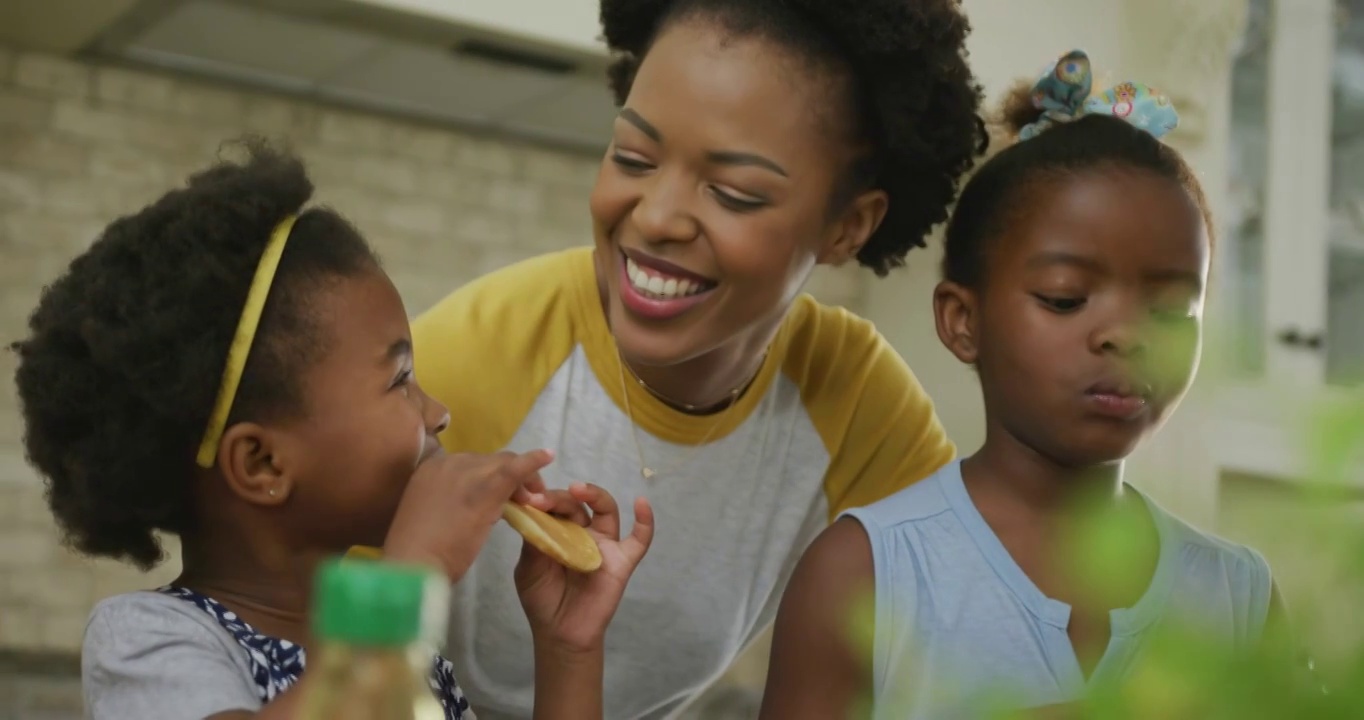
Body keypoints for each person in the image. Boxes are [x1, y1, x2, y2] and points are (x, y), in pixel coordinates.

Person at [407, 0, 988, 716]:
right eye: (632, 158)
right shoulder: (468, 357)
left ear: (846, 227)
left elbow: (982, 650)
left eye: (734, 193)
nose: (656, 216)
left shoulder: (856, 403)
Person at [11, 140, 653, 720]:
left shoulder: (410, 654)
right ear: (262, 463)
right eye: (400, 379)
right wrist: (410, 574)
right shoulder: (149, 640)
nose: (439, 412)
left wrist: (570, 646)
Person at [757, 50, 1289, 720]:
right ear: (962, 321)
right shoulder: (864, 571)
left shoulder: (1240, 595)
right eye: (1066, 299)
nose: (1126, 335)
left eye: (1170, 312)